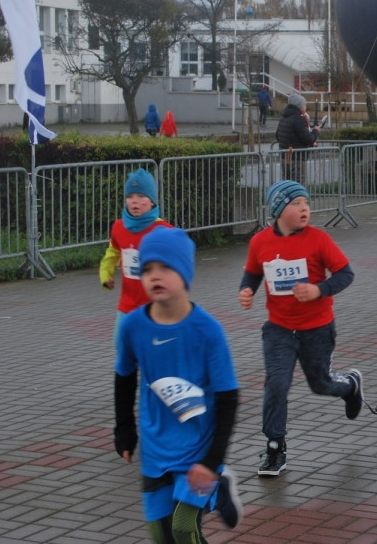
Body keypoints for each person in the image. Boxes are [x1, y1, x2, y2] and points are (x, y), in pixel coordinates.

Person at [238, 180, 376, 477]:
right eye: (295, 204)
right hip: (278, 329)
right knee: (276, 384)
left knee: (320, 384)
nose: (304, 209)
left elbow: (345, 274)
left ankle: (350, 386)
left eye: (306, 203)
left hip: (317, 328)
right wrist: (246, 291)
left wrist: (319, 290)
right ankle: (275, 447)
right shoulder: (260, 242)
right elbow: (251, 274)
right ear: (277, 210)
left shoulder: (318, 240)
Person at [114, 226, 243, 541]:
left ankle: (219, 479)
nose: (154, 275)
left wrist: (212, 461)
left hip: (198, 451)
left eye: (165, 267)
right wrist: (124, 430)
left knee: (184, 528)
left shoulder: (208, 331)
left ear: (184, 272)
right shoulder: (132, 326)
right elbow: (124, 378)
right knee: (162, 537)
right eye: (147, 269)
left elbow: (229, 399)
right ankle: (222, 486)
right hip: (156, 450)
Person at [99, 169, 173, 347]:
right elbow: (113, 252)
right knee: (120, 343)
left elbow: (179, 260)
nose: (135, 201)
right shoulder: (119, 227)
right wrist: (106, 274)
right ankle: (127, 375)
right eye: (130, 196)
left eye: (141, 196)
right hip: (128, 302)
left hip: (155, 303)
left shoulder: (163, 230)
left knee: (155, 348)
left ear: (152, 201)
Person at [275, 93, 320, 183]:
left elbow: (278, 135)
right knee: (298, 184)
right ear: (299, 106)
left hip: (285, 156)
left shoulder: (284, 117)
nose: (305, 108)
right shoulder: (298, 119)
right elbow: (307, 138)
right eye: (304, 105)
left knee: (287, 183)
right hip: (297, 158)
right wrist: (316, 131)